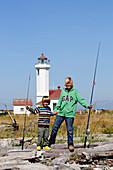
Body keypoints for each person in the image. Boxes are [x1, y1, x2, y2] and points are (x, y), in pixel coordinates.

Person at [49, 77, 92, 152]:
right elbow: (59, 102)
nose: (68, 84)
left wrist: (87, 106)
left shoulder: (75, 92)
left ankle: (70, 144)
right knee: (54, 128)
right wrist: (56, 109)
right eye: (67, 83)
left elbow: (80, 100)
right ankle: (51, 143)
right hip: (61, 113)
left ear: (71, 84)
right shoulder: (63, 92)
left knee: (70, 130)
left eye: (69, 83)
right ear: (65, 84)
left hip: (70, 114)